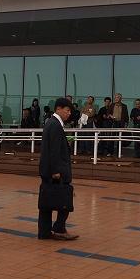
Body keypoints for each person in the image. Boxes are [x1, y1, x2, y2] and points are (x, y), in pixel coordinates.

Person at [37, 98, 79, 241]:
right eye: (67, 110)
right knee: (65, 199)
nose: (69, 113)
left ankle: (44, 232)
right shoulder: (55, 125)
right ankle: (59, 228)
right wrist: (55, 171)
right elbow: (53, 151)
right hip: (55, 171)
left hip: (47, 170)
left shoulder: (51, 123)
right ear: (58, 109)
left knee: (46, 203)